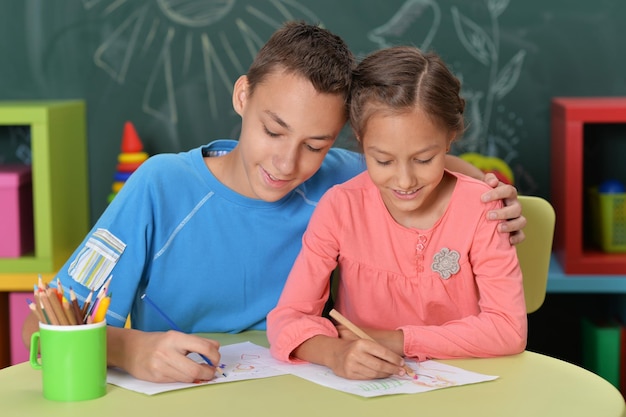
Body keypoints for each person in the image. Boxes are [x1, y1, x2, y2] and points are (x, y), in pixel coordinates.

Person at [22, 22, 524, 384]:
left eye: (315, 144)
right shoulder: (159, 186)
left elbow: (418, 164)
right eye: (272, 130)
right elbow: (38, 329)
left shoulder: (341, 179)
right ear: (243, 96)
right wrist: (129, 348)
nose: (287, 163)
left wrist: (492, 193)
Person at [266, 45, 527, 380]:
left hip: (466, 384)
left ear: (449, 139)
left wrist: (397, 340)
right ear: (360, 139)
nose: (404, 180)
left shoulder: (483, 209)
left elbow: (508, 329)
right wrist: (336, 353)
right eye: (383, 161)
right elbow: (287, 317)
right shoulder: (340, 207)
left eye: (423, 159)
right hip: (367, 389)